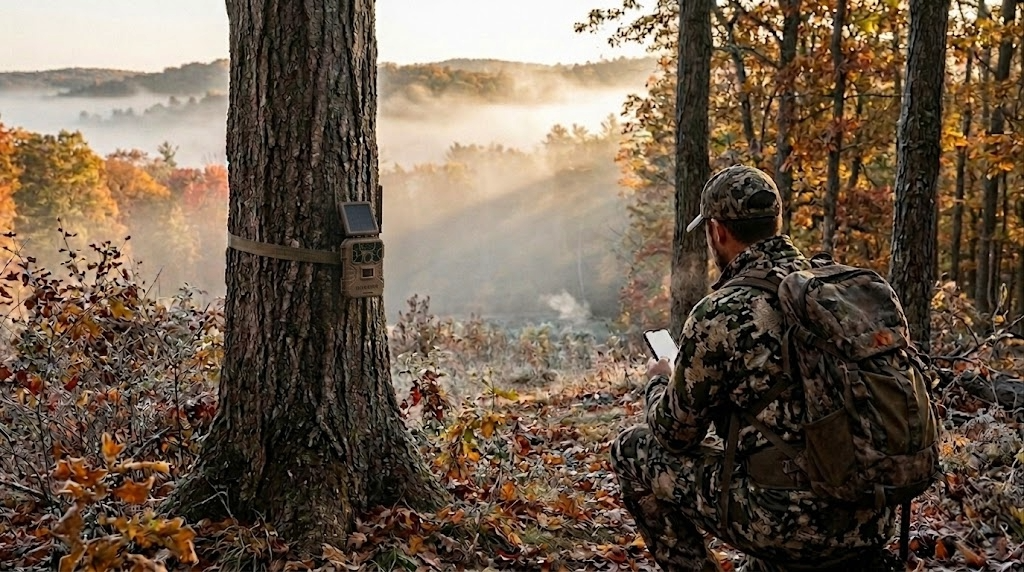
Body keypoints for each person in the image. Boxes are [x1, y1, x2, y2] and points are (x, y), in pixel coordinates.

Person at [609, 165, 903, 572]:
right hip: (873, 510)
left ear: (717, 231)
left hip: (788, 523)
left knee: (629, 449)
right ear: (776, 222)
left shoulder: (721, 312)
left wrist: (660, 382)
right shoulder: (841, 292)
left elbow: (674, 435)